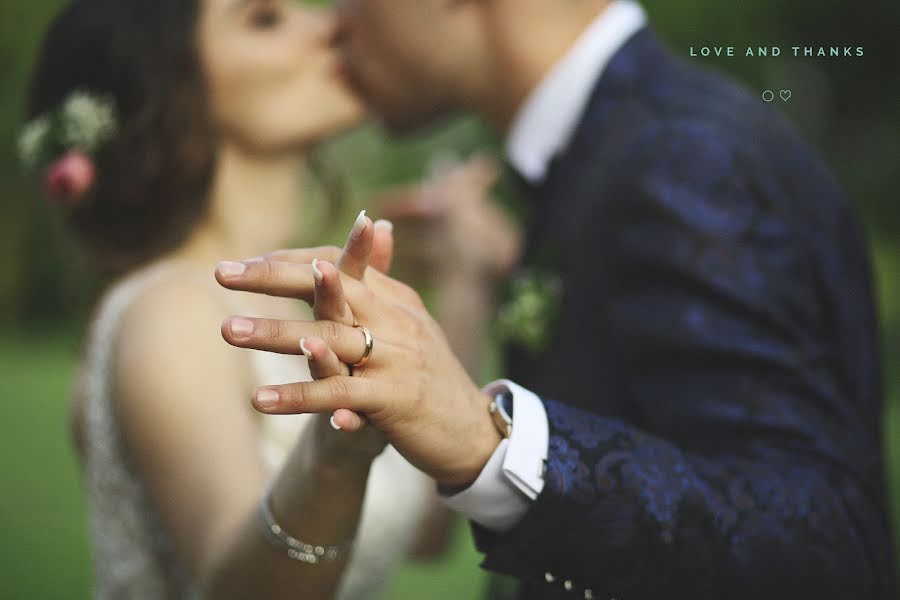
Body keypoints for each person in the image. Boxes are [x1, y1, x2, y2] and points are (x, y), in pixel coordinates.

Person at [215, 0, 897, 598]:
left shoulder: (685, 157)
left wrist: (495, 444)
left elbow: (834, 548)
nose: (336, 21)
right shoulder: (610, 151)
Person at [21, 0, 463, 597]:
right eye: (264, 19)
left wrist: (472, 281)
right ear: (169, 84)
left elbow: (428, 530)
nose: (332, 24)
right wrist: (334, 457)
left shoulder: (295, 308)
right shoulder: (170, 313)